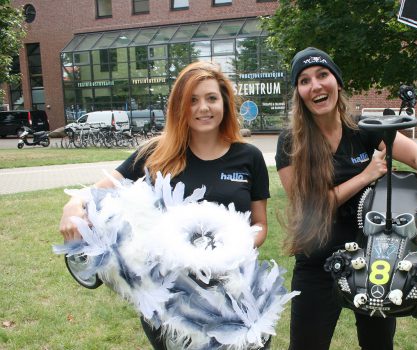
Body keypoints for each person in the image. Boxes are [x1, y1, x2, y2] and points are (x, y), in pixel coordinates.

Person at [58, 61, 270, 349]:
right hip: (171, 302)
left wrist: (230, 249)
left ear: (225, 102)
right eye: (192, 100)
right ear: (179, 107)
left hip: (235, 291)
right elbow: (94, 193)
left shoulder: (249, 156)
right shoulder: (156, 152)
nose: (203, 108)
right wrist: (72, 207)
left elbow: (259, 223)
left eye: (211, 98)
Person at [275, 47, 417, 350]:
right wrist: (366, 175)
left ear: (337, 83)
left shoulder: (363, 129)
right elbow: (310, 209)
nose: (315, 85)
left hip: (374, 260)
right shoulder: (291, 141)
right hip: (318, 264)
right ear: (299, 93)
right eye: (304, 80)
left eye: (323, 75)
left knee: (378, 345)